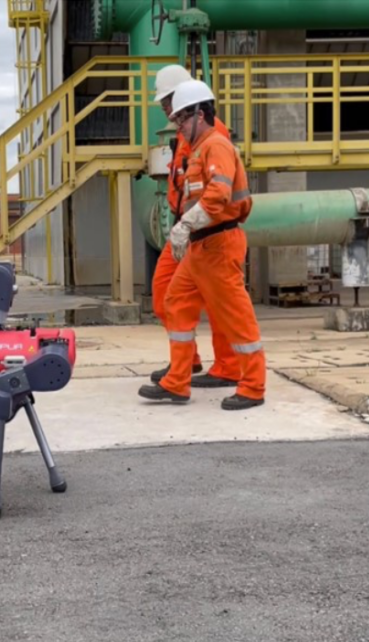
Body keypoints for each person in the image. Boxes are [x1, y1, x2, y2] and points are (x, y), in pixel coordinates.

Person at [139, 79, 266, 411]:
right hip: (200, 246)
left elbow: (218, 196)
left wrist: (185, 225)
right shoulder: (197, 150)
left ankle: (253, 386)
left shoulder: (215, 146)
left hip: (219, 243)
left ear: (200, 113)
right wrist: (187, 230)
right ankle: (177, 382)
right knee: (176, 301)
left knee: (236, 316)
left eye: (182, 118)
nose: (178, 125)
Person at [148, 66, 240, 390]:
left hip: (209, 232)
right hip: (187, 230)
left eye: (167, 101)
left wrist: (191, 223)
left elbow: (217, 190)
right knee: (163, 293)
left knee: (217, 301)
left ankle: (229, 367)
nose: (164, 108)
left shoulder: (214, 134)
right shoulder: (182, 134)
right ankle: (187, 359)